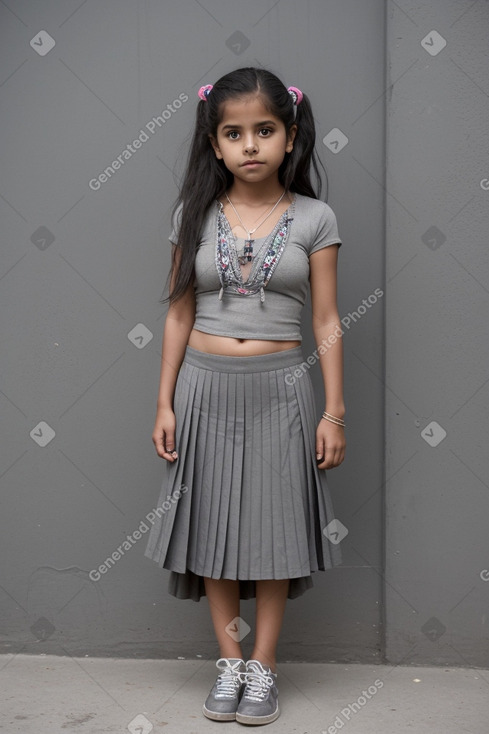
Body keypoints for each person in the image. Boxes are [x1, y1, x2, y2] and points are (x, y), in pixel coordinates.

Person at [144, 66, 346, 726]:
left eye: (265, 130)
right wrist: (165, 402)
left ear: (290, 137)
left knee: (271, 534)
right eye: (234, 133)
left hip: (281, 392)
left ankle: (262, 669)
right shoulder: (194, 214)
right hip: (204, 391)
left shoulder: (314, 217)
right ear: (215, 145)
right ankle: (227, 663)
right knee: (215, 530)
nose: (250, 145)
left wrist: (332, 412)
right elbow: (178, 311)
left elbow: (325, 321)